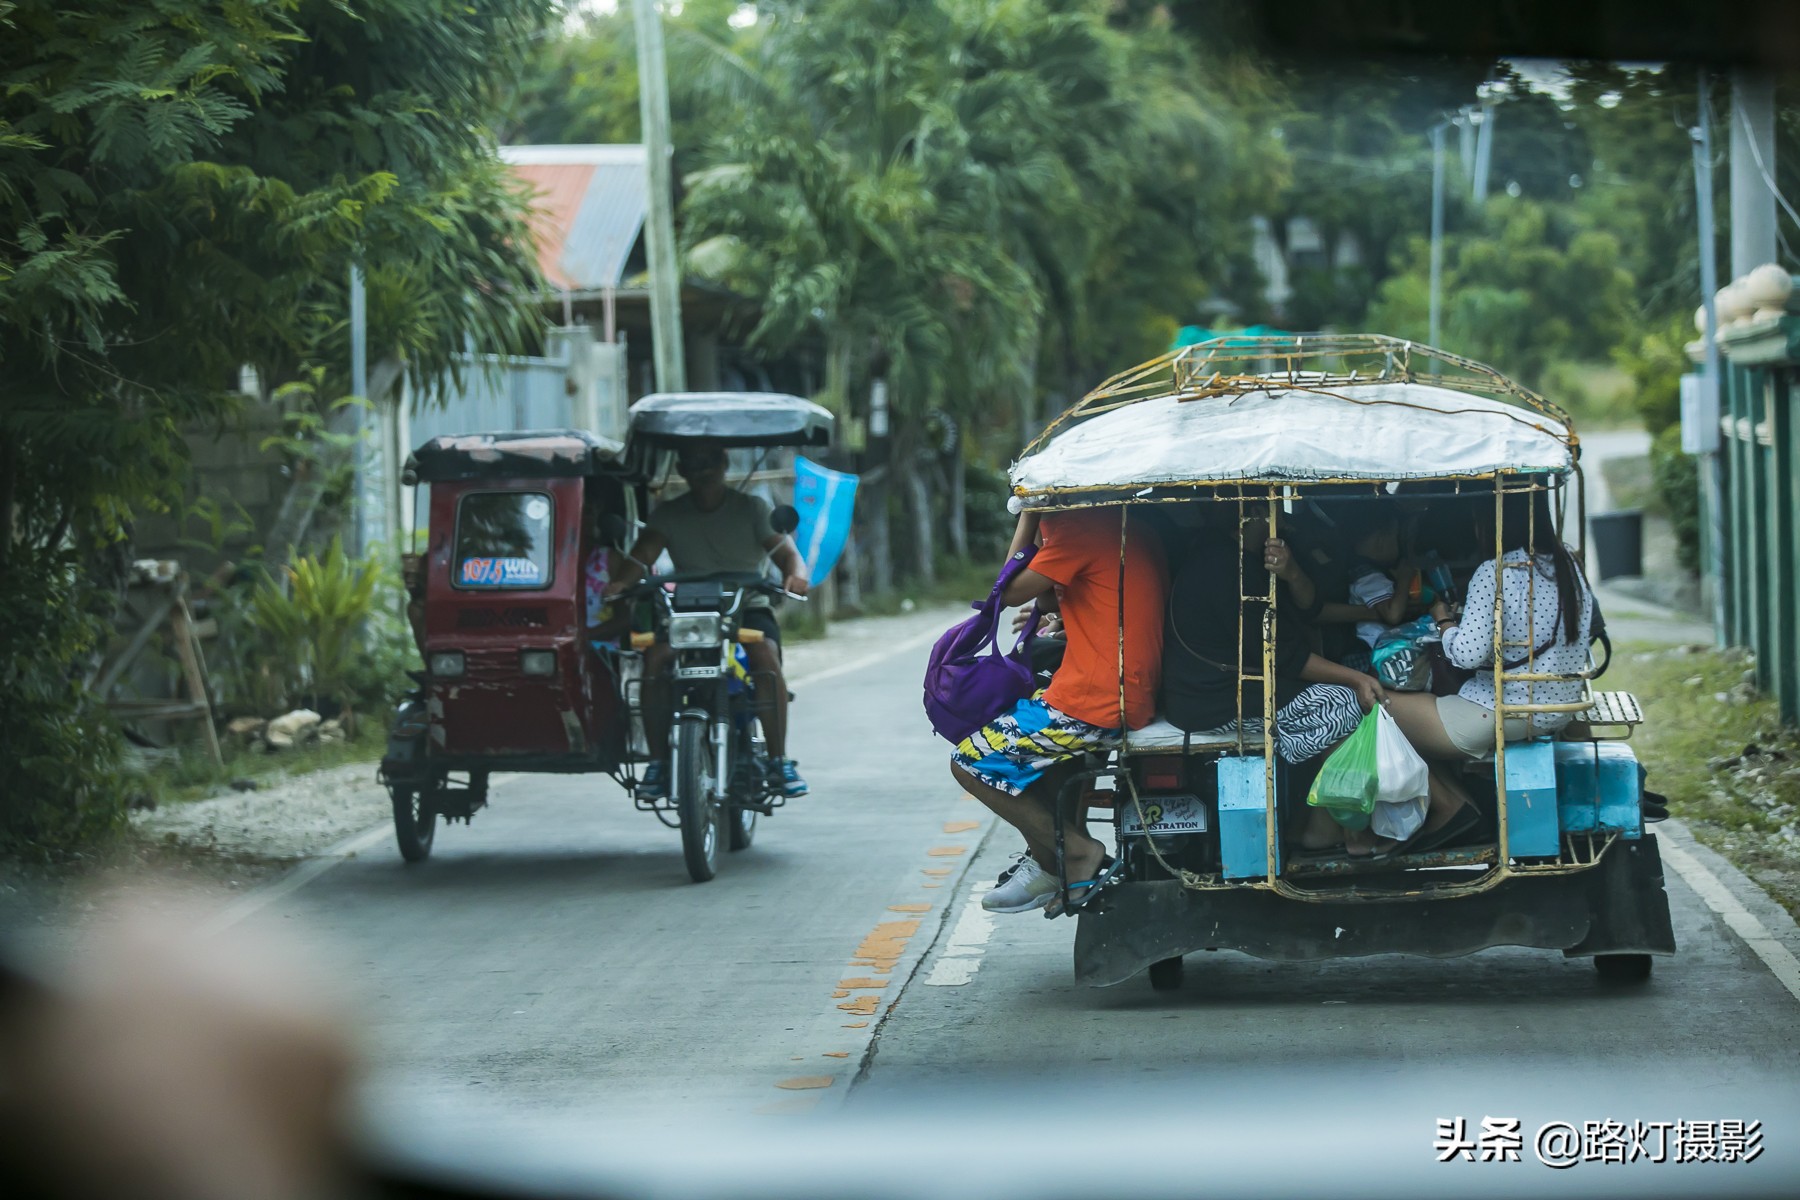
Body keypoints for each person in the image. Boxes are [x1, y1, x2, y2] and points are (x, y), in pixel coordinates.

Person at [954, 507, 1167, 916]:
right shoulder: (1128, 524)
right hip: (1131, 693)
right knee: (1038, 755)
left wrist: (1026, 518)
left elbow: (1008, 590)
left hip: (1092, 701)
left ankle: (1073, 852)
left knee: (968, 761)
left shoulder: (1079, 530)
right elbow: (1067, 596)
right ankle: (1048, 859)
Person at [1158, 507, 1388, 854]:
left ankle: (1309, 821)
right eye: (1274, 510)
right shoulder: (1225, 567)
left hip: (1227, 686)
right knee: (1341, 704)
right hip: (1210, 699)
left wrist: (1292, 572)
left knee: (1331, 699)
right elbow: (1283, 655)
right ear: (1251, 515)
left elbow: (1309, 610)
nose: (1283, 517)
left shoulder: (1247, 559)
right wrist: (1355, 679)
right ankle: (1336, 828)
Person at [1381, 489, 1596, 852]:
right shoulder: (1570, 564)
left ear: (1488, 521)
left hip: (1501, 712)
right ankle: (1463, 805)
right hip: (1559, 709)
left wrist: (1444, 620)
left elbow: (1465, 655)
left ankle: (1451, 806)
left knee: (1373, 702)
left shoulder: (1495, 572)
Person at [607, 442, 812, 798]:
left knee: (764, 652)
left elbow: (787, 554)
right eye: (692, 464)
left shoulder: (752, 508)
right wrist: (621, 582)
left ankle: (779, 759)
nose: (701, 471)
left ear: (723, 463)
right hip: (687, 611)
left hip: (745, 606)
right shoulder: (669, 514)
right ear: (682, 470)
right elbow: (642, 556)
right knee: (654, 659)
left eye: (708, 463)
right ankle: (656, 764)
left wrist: (796, 574)